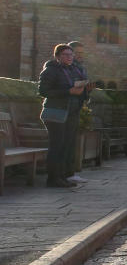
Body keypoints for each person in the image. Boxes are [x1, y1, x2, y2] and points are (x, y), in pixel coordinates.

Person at [36, 43, 84, 188]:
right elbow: (43, 91)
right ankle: (52, 178)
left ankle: (62, 177)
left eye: (71, 54)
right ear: (57, 56)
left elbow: (73, 88)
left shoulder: (73, 69)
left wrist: (84, 89)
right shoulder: (50, 70)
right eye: (66, 55)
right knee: (56, 145)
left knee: (66, 146)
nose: (70, 57)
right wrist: (68, 91)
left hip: (71, 112)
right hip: (55, 113)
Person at [63, 41, 92, 184]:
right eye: (77, 53)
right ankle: (65, 173)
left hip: (76, 107)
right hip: (66, 108)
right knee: (66, 142)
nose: (80, 56)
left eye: (82, 53)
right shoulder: (68, 69)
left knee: (71, 142)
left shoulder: (80, 68)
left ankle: (70, 172)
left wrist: (87, 90)